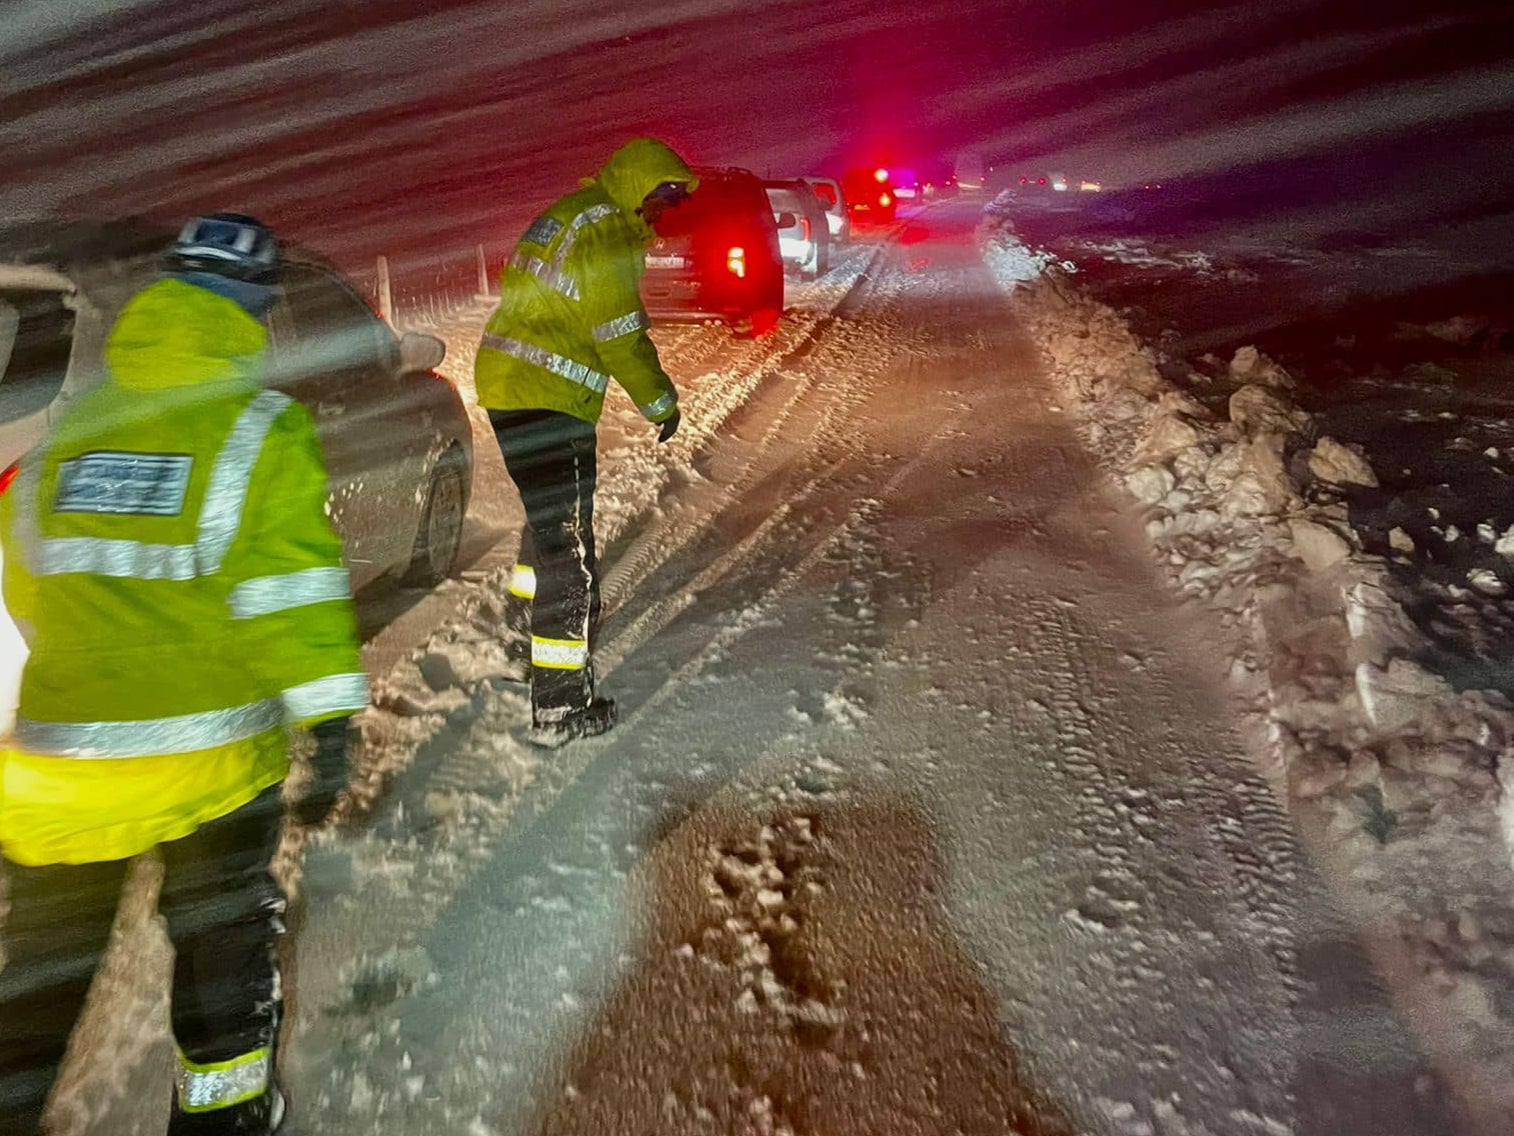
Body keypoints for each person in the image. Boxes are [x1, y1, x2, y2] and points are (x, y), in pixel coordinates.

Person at [0, 214, 368, 1134]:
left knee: (37, 983)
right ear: (252, 311)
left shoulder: (81, 423)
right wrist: (328, 724)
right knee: (221, 949)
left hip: (58, 766)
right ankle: (223, 1118)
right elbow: (294, 597)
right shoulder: (259, 427)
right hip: (209, 765)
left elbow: (26, 575)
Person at [476, 137, 697, 746]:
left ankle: (524, 637)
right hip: (548, 394)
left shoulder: (572, 214)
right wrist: (661, 401)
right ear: (638, 185)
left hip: (509, 384)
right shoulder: (605, 232)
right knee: (570, 549)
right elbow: (618, 335)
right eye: (662, 198)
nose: (663, 213)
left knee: (547, 524)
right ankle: (559, 704)